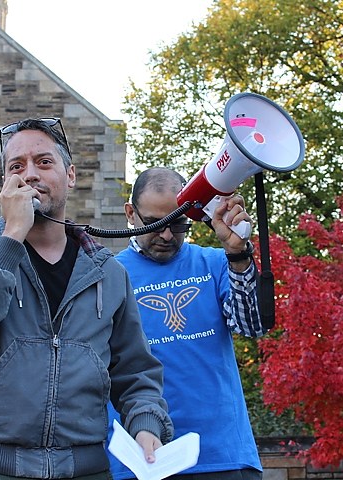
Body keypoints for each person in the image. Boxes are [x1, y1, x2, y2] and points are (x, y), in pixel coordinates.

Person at [0, 118, 173, 479]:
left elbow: (134, 371)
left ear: (69, 175)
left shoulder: (108, 271)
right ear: (5, 184)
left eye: (43, 162)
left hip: (82, 467)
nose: (30, 174)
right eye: (16, 166)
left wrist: (147, 424)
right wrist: (10, 237)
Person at [107, 167, 266, 479]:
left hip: (223, 456)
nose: (167, 235)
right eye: (154, 224)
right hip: (139, 462)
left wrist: (239, 254)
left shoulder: (215, 262)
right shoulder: (108, 274)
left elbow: (251, 326)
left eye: (178, 224)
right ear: (130, 213)